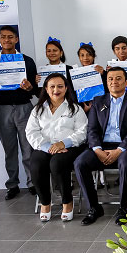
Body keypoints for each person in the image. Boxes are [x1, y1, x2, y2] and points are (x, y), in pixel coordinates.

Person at [74, 67, 127, 226]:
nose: (114, 82)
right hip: (101, 146)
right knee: (80, 163)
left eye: (119, 78)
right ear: (106, 83)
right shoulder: (98, 101)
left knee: (126, 163)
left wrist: (119, 150)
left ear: (126, 82)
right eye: (110, 79)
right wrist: (97, 149)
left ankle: (123, 208)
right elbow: (91, 129)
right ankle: (94, 207)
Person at [0, 25, 38, 200]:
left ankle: (32, 183)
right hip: (3, 109)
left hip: (24, 106)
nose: (7, 40)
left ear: (16, 39)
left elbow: (34, 87)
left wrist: (30, 87)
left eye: (10, 37)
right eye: (3, 37)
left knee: (28, 148)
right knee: (9, 149)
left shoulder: (27, 60)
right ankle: (13, 184)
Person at [26, 73, 87, 222]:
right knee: (36, 164)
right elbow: (31, 132)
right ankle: (45, 203)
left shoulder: (75, 109)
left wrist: (63, 143)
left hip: (69, 147)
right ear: (46, 89)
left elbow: (83, 132)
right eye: (52, 86)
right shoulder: (38, 109)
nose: (56, 90)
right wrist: (48, 147)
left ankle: (67, 202)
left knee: (57, 163)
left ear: (66, 88)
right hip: (44, 147)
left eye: (60, 86)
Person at [75, 42, 105, 113]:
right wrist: (82, 109)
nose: (85, 58)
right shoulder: (75, 74)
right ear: (79, 57)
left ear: (94, 56)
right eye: (82, 55)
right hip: (82, 109)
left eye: (89, 55)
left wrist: (104, 74)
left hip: (101, 108)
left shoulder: (101, 71)